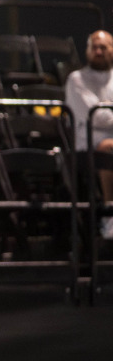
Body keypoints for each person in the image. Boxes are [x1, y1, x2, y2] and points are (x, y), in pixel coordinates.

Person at [65, 30, 113, 239]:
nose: (99, 51)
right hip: (88, 144)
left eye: (104, 47)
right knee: (108, 148)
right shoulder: (77, 79)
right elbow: (96, 117)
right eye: (94, 47)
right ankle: (110, 214)